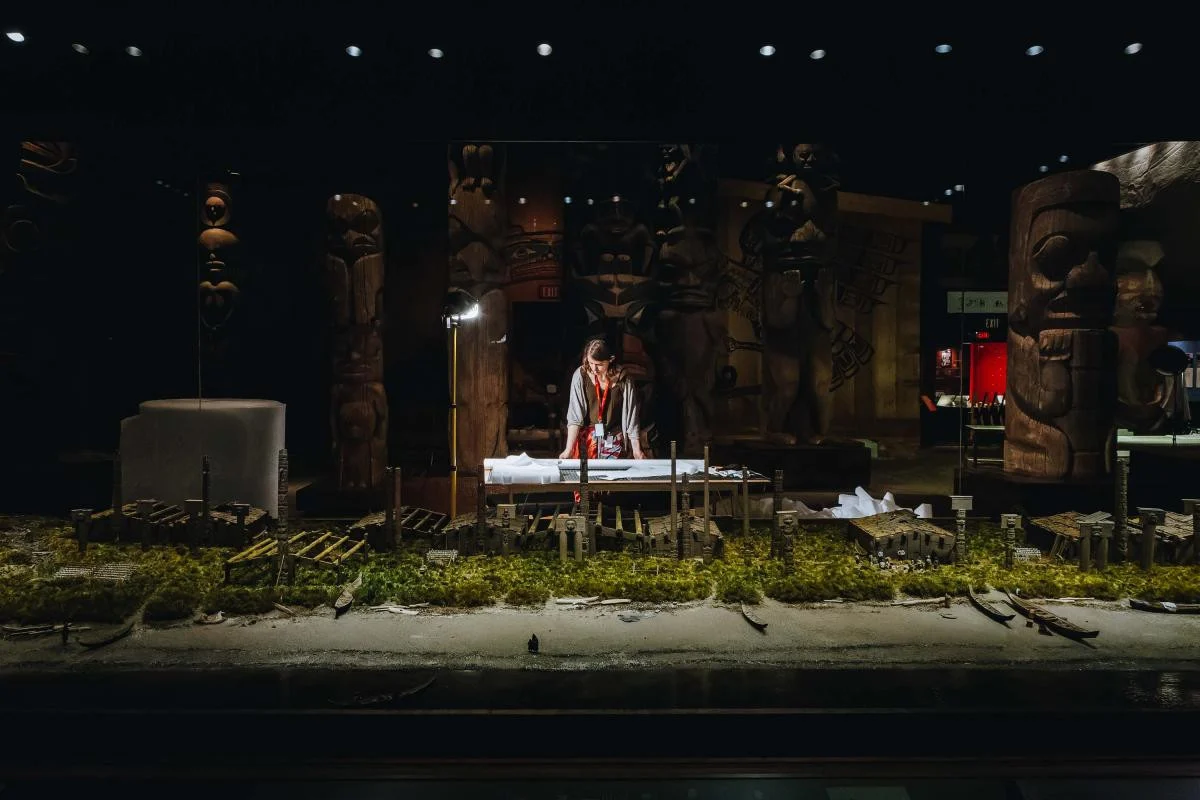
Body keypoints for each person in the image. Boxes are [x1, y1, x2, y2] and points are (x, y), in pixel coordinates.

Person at [559, 338, 647, 461]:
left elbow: (631, 417)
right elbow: (575, 416)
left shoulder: (623, 378)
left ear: (610, 360)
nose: (594, 369)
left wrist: (637, 450)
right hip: (587, 439)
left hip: (613, 438)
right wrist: (568, 450)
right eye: (590, 363)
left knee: (611, 477)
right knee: (586, 478)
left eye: (599, 365)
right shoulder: (581, 375)